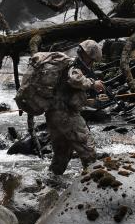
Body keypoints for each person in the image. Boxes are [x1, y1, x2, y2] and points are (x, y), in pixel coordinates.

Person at [45, 39, 105, 175]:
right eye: (92, 60)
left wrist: (88, 100)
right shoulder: (73, 64)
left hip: (53, 114)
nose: (92, 63)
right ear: (87, 55)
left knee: (62, 154)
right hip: (66, 115)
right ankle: (92, 180)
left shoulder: (66, 64)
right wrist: (93, 84)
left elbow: (67, 92)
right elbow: (74, 80)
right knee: (88, 150)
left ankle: (51, 182)